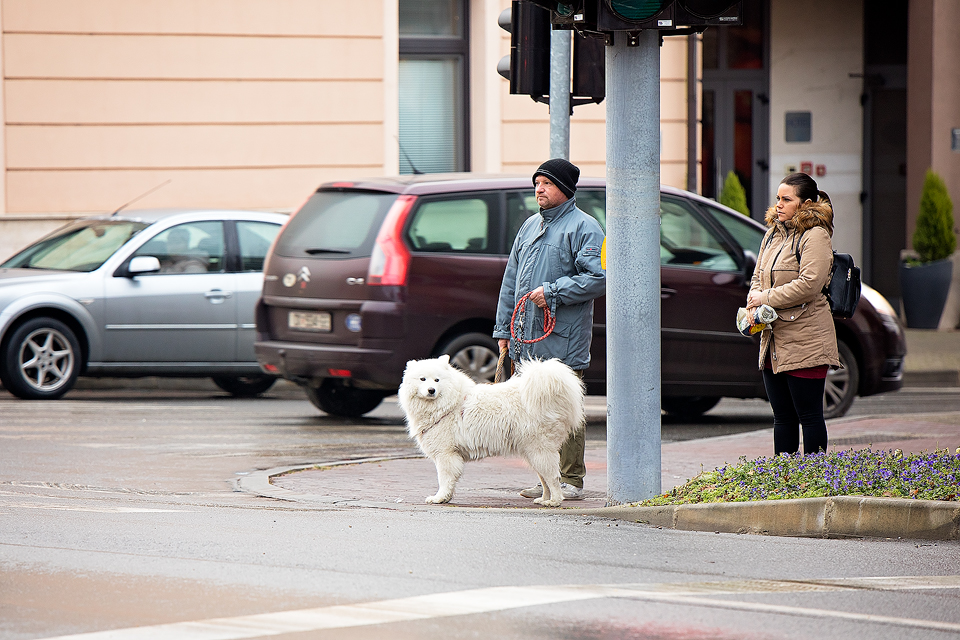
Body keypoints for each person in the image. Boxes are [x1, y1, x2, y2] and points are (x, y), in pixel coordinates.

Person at [493, 158, 606, 500]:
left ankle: (571, 479)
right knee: (532, 413)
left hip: (563, 339)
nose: (539, 189)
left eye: (547, 183)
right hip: (525, 337)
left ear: (566, 189)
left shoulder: (586, 228)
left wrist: (553, 291)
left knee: (563, 411)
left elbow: (600, 277)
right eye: (537, 183)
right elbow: (511, 280)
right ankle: (547, 479)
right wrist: (502, 329)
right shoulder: (529, 226)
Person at [746, 172, 840, 455]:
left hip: (807, 338)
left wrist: (766, 298)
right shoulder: (772, 234)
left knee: (809, 417)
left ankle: (815, 482)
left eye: (787, 199)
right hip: (774, 339)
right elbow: (758, 275)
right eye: (778, 198)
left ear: (806, 203)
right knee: (782, 417)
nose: (779, 205)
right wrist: (753, 301)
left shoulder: (816, 235)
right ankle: (783, 483)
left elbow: (809, 285)